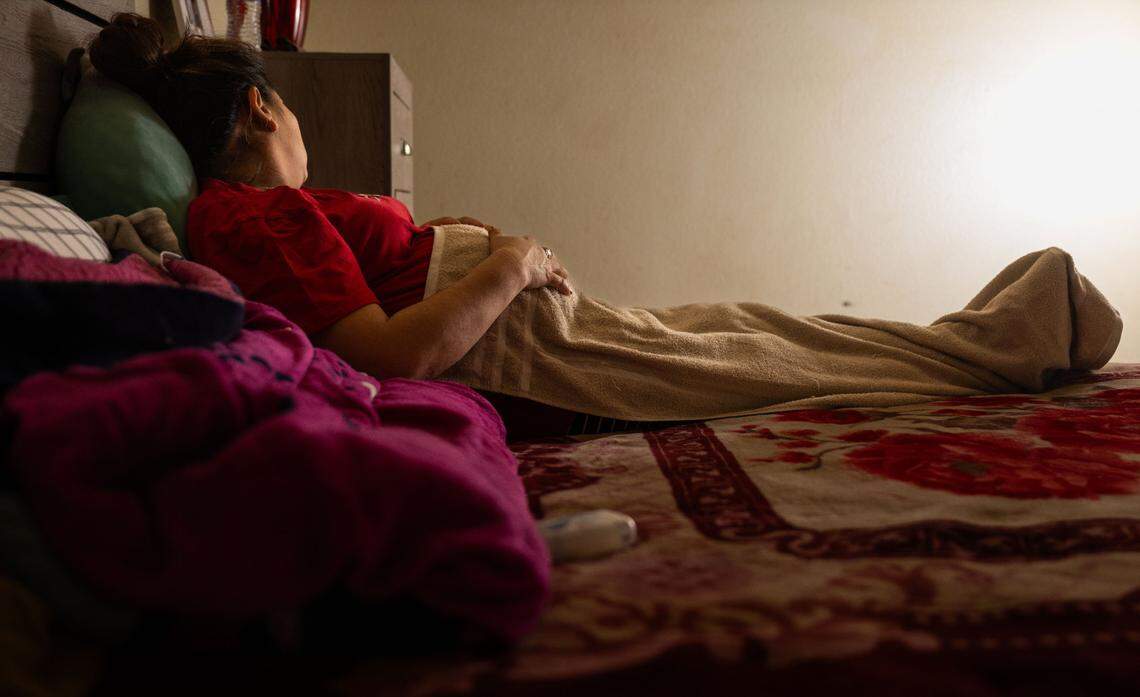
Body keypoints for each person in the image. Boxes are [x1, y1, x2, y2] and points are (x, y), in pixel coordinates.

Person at [87, 14, 1121, 438]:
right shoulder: (257, 216)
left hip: (527, 325)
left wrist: (503, 257)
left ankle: (985, 337)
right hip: (518, 347)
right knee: (766, 362)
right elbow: (394, 355)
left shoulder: (259, 212)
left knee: (750, 326)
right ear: (265, 106)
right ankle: (1003, 343)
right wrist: (514, 261)